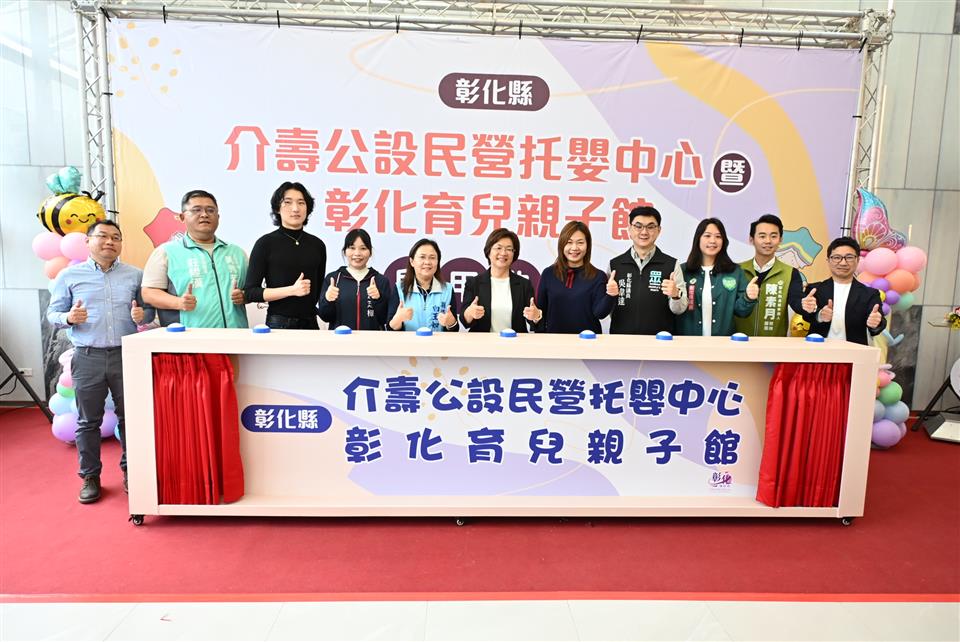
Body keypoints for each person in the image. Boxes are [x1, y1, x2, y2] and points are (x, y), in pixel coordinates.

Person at [46, 220, 154, 503]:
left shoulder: (135, 275)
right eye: (103, 236)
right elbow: (52, 314)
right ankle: (90, 476)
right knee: (88, 421)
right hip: (87, 356)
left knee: (131, 418)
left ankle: (132, 471)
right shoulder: (69, 276)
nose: (110, 242)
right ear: (88, 241)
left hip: (126, 355)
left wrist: (143, 316)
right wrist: (69, 317)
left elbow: (148, 311)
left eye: (116, 237)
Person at [142, 189, 248, 328]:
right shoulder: (166, 252)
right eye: (196, 210)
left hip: (236, 334)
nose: (204, 214)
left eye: (210, 210)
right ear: (182, 217)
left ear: (218, 216)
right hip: (189, 337)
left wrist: (245, 296)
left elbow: (251, 290)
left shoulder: (237, 253)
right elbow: (149, 293)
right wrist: (178, 303)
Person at [243, 182, 326, 329]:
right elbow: (250, 293)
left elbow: (318, 291)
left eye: (301, 203)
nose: (295, 208)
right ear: (277, 208)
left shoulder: (318, 245)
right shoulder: (265, 243)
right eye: (288, 202)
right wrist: (291, 290)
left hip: (311, 324)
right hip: (279, 322)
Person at [608, 206, 687, 334]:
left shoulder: (671, 265)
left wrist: (675, 295)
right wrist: (609, 296)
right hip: (622, 338)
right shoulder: (615, 265)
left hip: (660, 339)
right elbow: (606, 309)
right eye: (638, 226)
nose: (644, 232)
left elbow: (679, 310)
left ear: (659, 230)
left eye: (650, 227)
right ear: (629, 229)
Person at [677, 218, 759, 336]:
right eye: (707, 236)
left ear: (723, 241)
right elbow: (675, 308)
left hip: (723, 343)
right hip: (689, 342)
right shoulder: (683, 271)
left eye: (718, 236)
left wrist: (749, 298)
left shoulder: (735, 272)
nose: (713, 241)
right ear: (698, 239)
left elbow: (741, 312)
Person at [800, 236, 886, 345]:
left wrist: (875, 324)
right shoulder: (814, 290)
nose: (843, 263)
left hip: (854, 352)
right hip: (818, 350)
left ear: (857, 260)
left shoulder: (870, 294)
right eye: (837, 257)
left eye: (849, 257)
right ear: (828, 261)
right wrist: (820, 315)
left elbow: (879, 322)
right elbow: (806, 315)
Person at [537, 221, 616, 334]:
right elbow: (540, 311)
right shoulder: (548, 274)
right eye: (569, 242)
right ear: (562, 244)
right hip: (554, 340)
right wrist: (534, 316)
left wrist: (611, 295)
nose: (574, 248)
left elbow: (600, 314)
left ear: (588, 245)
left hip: (588, 340)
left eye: (580, 242)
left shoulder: (598, 276)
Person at [734, 214, 805, 337]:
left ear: (780, 240)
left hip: (774, 344)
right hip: (739, 341)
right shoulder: (737, 270)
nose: (768, 241)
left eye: (773, 236)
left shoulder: (790, 273)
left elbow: (797, 302)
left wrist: (806, 305)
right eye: (762, 236)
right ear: (751, 239)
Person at [460, 228, 541, 333]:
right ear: (489, 252)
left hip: (515, 341)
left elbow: (535, 323)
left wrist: (536, 316)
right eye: (498, 248)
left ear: (514, 254)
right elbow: (464, 321)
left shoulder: (524, 284)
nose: (503, 253)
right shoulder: (474, 283)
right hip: (482, 341)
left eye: (509, 249)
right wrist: (470, 313)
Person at [319, 228, 389, 330]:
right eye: (352, 248)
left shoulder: (381, 280)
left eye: (363, 248)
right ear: (344, 251)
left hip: (372, 339)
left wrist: (378, 299)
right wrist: (328, 300)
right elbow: (325, 316)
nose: (357, 253)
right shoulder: (333, 279)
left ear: (370, 252)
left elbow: (385, 319)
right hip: (341, 338)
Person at [387, 238, 459, 332]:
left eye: (432, 257)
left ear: (437, 262)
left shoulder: (447, 289)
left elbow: (454, 329)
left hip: (438, 341)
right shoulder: (400, 288)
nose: (427, 262)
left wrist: (451, 323)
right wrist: (398, 319)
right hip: (408, 341)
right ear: (412, 261)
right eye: (422, 257)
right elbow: (390, 328)